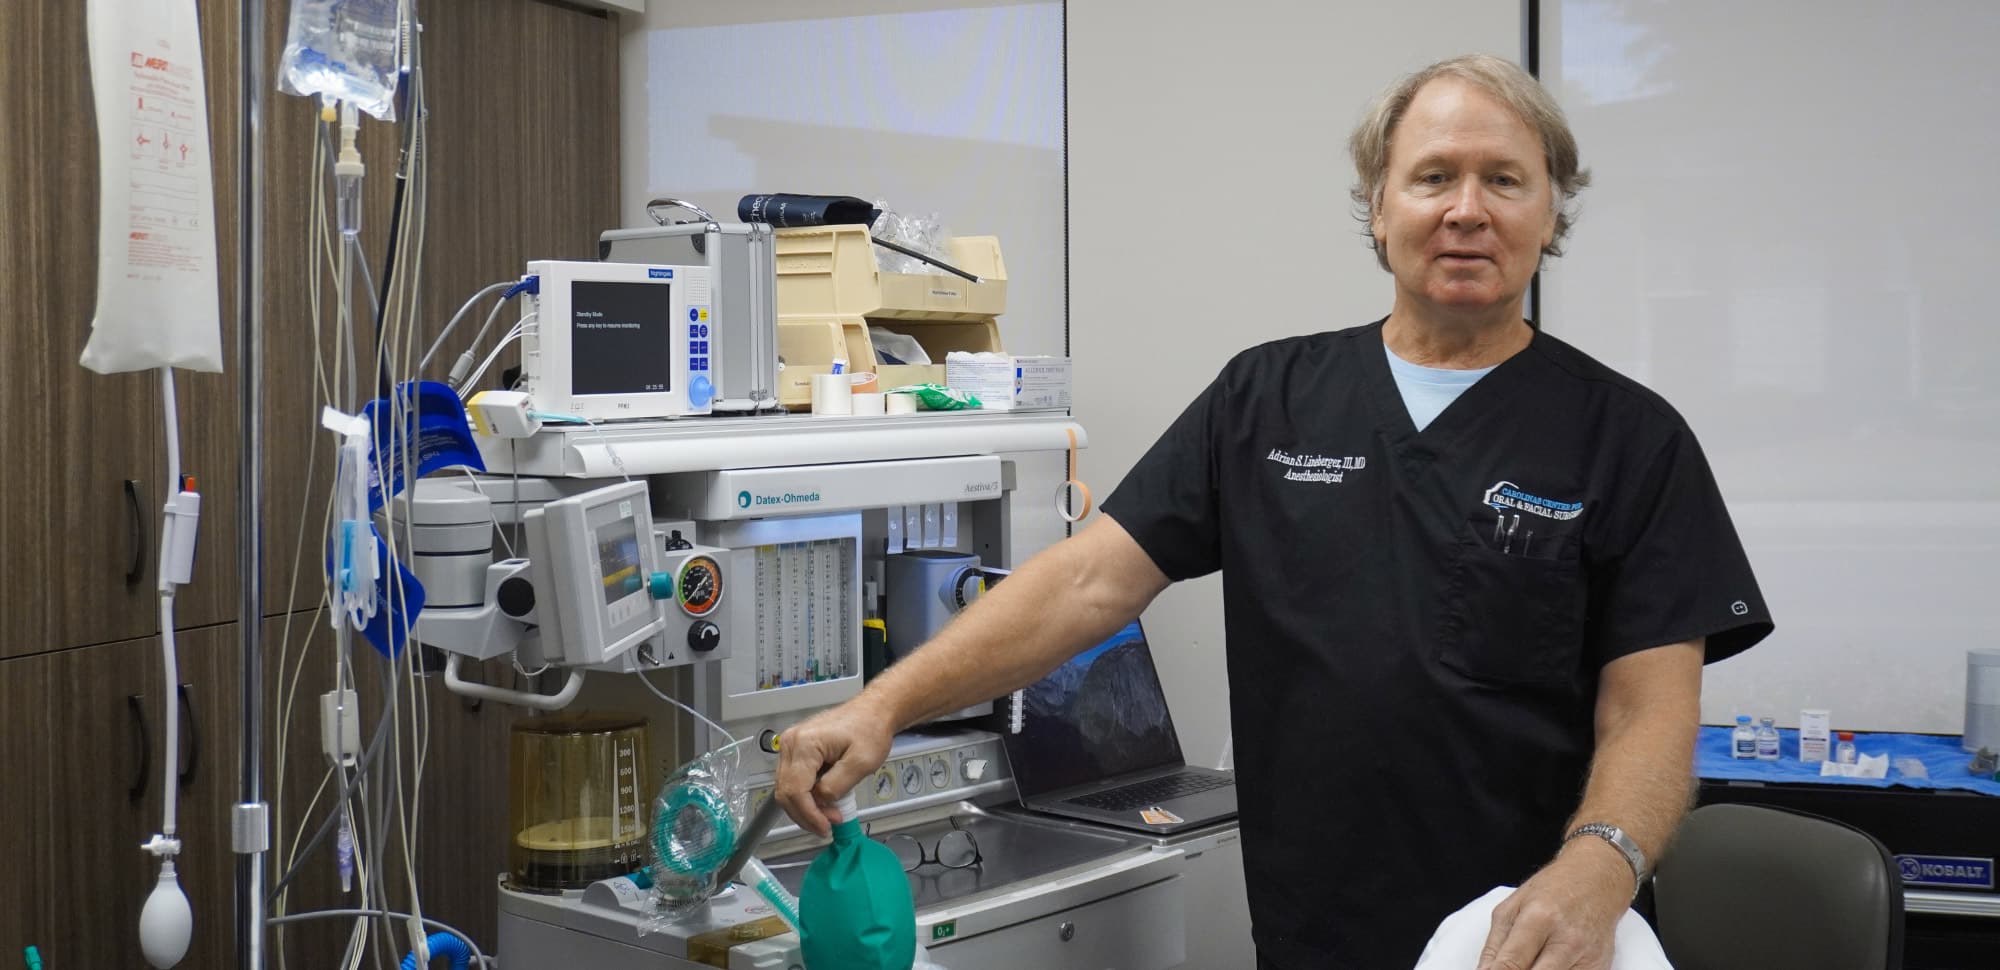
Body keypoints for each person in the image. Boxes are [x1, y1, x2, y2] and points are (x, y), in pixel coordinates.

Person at [774, 53, 1772, 969]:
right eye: (1431, 177)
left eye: (1503, 180)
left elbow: (1650, 704)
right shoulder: (1264, 399)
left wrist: (1599, 867)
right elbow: (1086, 583)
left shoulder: (1629, 438)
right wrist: (882, 704)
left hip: (1534, 935)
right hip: (1314, 928)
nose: (1465, 209)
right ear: (1377, 209)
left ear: (1550, 214)